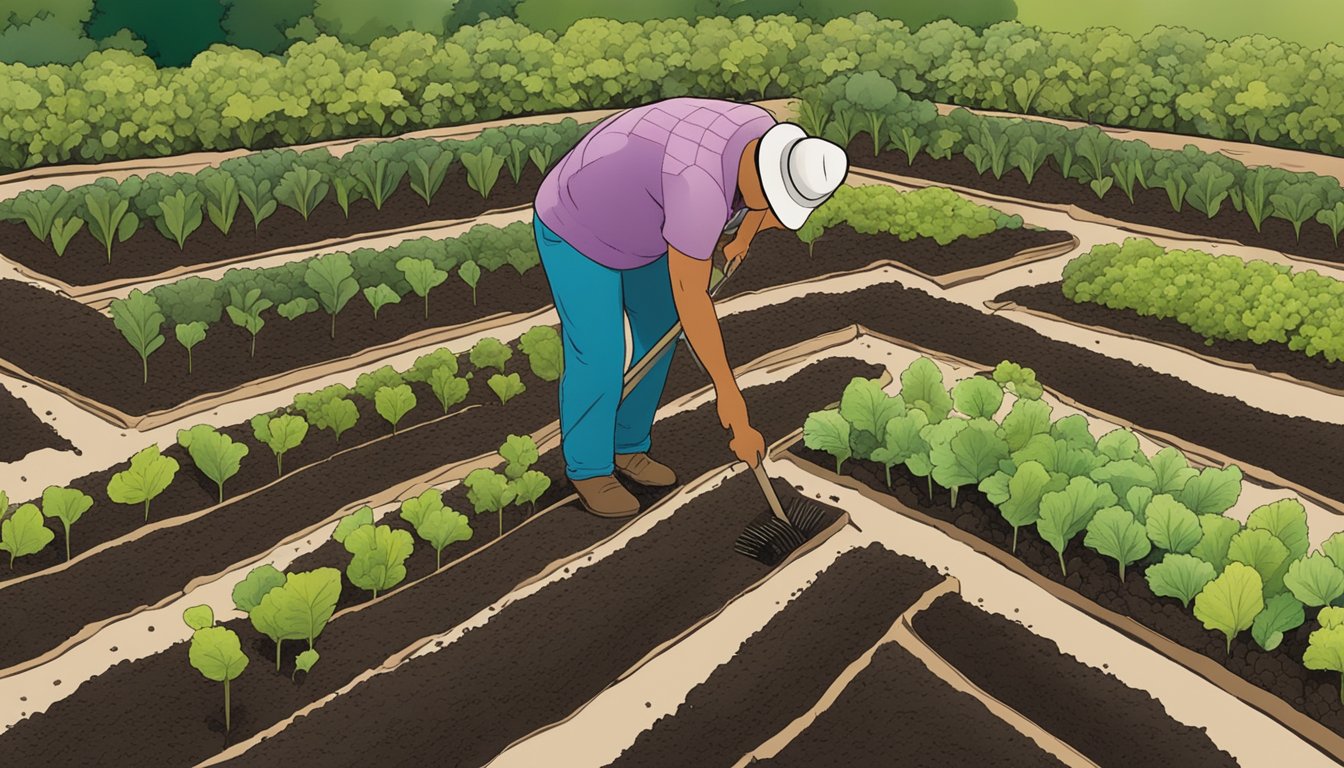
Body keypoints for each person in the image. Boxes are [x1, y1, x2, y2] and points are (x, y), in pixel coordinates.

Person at [533, 97, 848, 518]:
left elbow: (755, 196)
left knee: (661, 332)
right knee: (600, 352)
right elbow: (691, 296)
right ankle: (589, 468)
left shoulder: (762, 134)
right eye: (773, 204)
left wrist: (743, 237)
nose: (770, 213)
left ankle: (628, 446)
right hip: (577, 224)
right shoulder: (697, 186)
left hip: (644, 227)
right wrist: (730, 398)